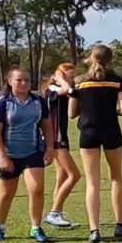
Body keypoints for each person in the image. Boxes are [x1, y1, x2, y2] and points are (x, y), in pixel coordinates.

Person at [70, 44, 122, 243]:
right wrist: (109, 111)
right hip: (112, 132)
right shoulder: (117, 81)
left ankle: (94, 231)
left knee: (92, 183)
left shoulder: (79, 82)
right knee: (116, 177)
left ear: (91, 57)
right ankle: (120, 225)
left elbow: (71, 113)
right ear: (110, 60)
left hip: (88, 134)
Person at [0, 66, 55, 243]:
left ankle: (36, 227)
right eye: (19, 80)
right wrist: (3, 156)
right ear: (9, 82)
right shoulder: (2, 103)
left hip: (33, 153)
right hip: (9, 155)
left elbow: (47, 126)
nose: (24, 83)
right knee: (7, 194)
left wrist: (50, 148)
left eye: (26, 80)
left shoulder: (39, 102)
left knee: (37, 189)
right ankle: (0, 227)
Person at [42, 63, 80, 228]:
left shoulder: (59, 90)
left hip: (61, 137)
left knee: (62, 176)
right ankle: (54, 213)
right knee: (74, 175)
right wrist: (60, 78)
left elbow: (74, 93)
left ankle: (56, 213)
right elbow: (70, 91)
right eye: (70, 76)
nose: (73, 79)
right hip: (55, 140)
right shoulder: (53, 89)